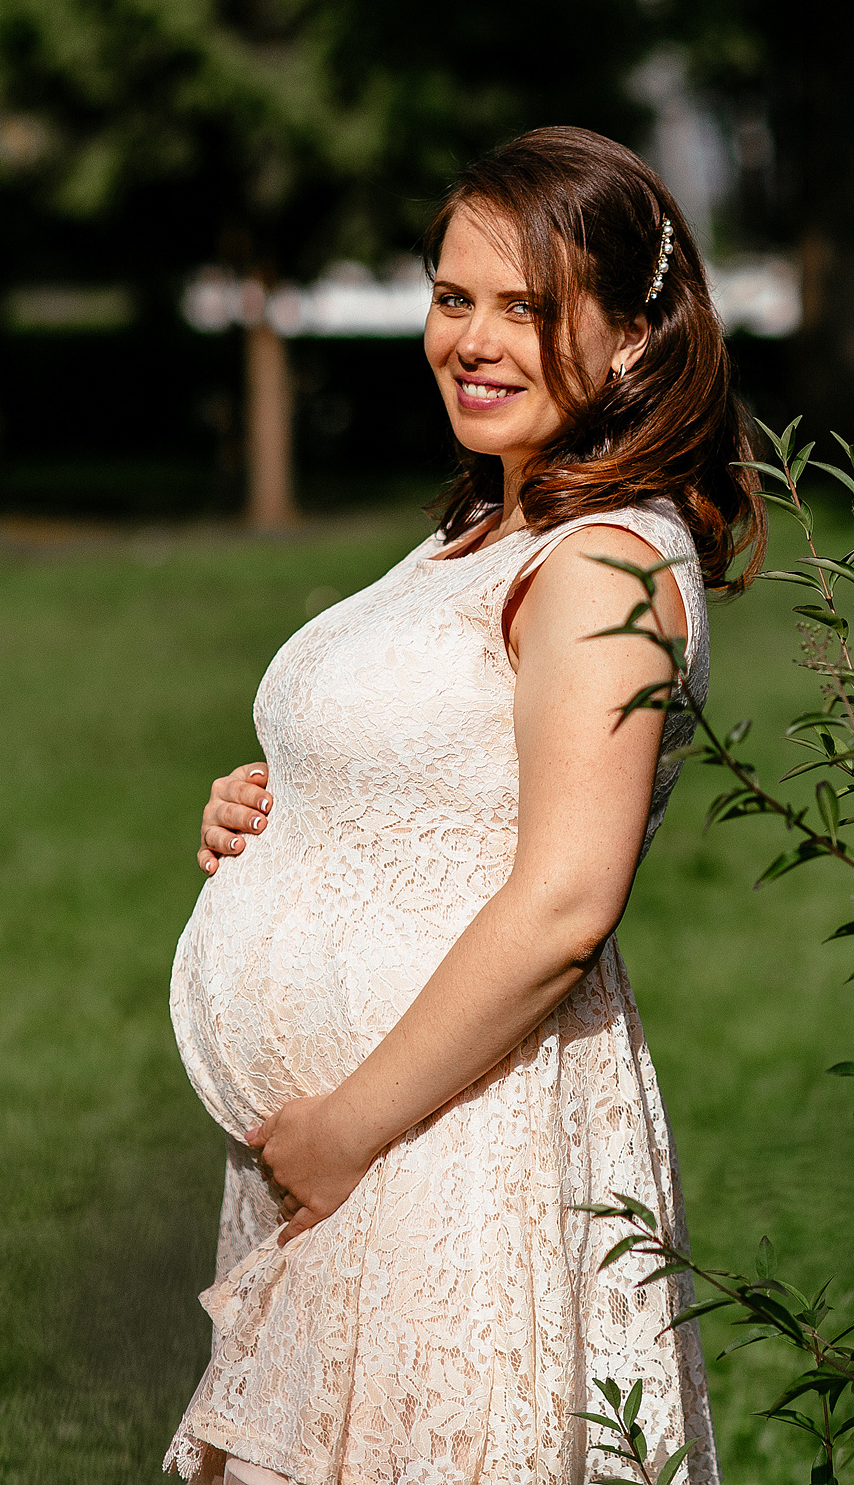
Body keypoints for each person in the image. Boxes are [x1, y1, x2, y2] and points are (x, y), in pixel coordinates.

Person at [164, 127, 761, 1485]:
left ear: (632, 339)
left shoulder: (603, 565)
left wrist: (347, 1127)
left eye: (529, 309)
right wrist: (282, 810)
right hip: (364, 1151)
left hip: (445, 1139)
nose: (473, 342)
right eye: (451, 298)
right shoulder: (488, 525)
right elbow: (442, 766)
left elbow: (564, 901)